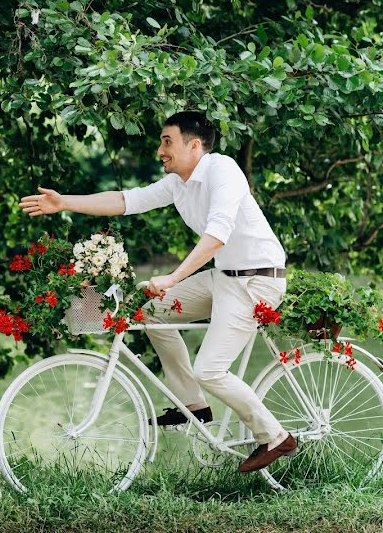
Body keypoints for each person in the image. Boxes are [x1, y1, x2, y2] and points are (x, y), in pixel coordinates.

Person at [18, 111, 295, 473]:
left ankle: (275, 436)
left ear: (194, 145)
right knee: (149, 310)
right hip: (225, 277)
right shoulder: (179, 183)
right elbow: (125, 200)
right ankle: (193, 405)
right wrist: (65, 202)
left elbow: (217, 235)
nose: (159, 151)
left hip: (257, 279)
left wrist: (174, 277)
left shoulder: (222, 170)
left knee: (210, 369)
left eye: (167, 142)